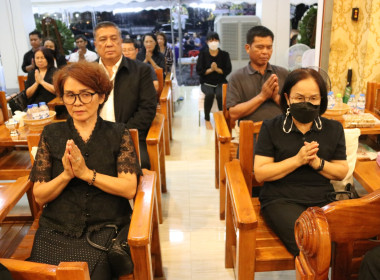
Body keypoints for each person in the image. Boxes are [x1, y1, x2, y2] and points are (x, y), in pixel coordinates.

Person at [27, 61, 142, 280]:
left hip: (104, 228)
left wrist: (87, 174)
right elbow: (40, 196)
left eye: (86, 94)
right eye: (70, 95)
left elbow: (129, 189)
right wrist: (66, 175)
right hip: (55, 228)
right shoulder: (51, 134)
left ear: (101, 96)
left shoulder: (118, 133)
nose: (77, 102)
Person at [253, 68, 348, 256]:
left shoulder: (333, 128)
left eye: (313, 98)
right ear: (287, 98)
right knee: (308, 242)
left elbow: (341, 171)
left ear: (322, 99)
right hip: (281, 199)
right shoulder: (271, 127)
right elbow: (260, 173)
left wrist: (318, 163)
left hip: (322, 200)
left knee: (341, 242)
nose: (306, 103)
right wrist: (297, 160)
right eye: (299, 98)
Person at [94, 21, 157, 169]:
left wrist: (120, 134)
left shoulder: (141, 71)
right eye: (103, 40)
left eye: (114, 38)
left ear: (121, 42)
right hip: (93, 136)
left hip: (129, 135)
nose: (109, 44)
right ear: (96, 45)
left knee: (137, 166)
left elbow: (147, 109)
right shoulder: (87, 71)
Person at [226, 25, 289, 123]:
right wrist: (262, 96)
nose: (265, 52)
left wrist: (276, 97)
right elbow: (233, 114)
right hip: (252, 133)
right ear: (248, 48)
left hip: (283, 130)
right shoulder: (237, 77)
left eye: (269, 47)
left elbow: (294, 108)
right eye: (260, 47)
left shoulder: (283, 73)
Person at [196, 31, 232, 130]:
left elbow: (228, 69)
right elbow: (199, 70)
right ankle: (207, 119)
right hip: (206, 81)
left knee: (220, 94)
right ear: (207, 42)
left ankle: (222, 116)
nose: (214, 42)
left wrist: (217, 70)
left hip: (221, 81)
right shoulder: (202, 54)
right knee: (210, 94)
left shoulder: (224, 55)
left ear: (219, 41)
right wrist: (211, 70)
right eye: (211, 40)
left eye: (215, 40)